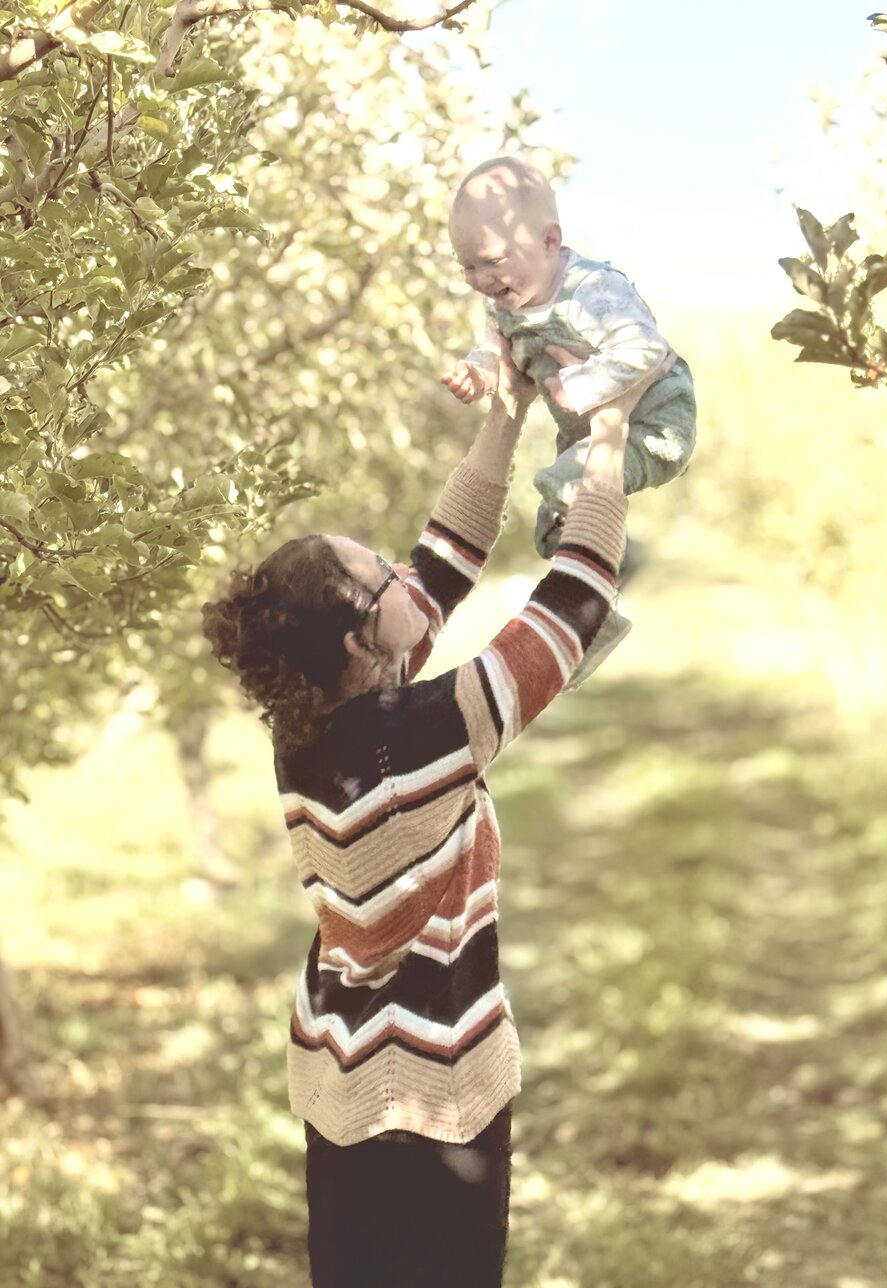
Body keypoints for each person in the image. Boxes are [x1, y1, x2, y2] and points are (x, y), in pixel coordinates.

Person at [201, 341, 641, 1288]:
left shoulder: (315, 722)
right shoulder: (428, 734)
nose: (406, 572)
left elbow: (444, 557)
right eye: (381, 578)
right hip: (437, 1098)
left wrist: (507, 411)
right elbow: (573, 601)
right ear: (359, 639)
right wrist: (611, 427)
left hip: (344, 1083)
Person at [441, 155, 697, 685]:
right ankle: (612, 577)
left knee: (565, 488)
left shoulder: (591, 290)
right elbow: (496, 351)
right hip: (592, 433)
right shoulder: (506, 301)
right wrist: (480, 373)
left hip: (656, 419)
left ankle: (586, 622)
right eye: (467, 267)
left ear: (550, 241)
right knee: (552, 528)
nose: (480, 280)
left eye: (490, 261)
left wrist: (582, 386)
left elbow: (645, 348)